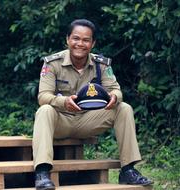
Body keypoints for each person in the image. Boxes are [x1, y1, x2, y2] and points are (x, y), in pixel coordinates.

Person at [32, 19, 153, 190]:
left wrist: (114, 97)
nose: (80, 44)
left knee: (124, 108)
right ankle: (42, 172)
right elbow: (43, 96)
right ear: (67, 39)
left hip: (88, 120)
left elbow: (116, 90)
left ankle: (128, 170)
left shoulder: (101, 64)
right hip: (60, 120)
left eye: (85, 40)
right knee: (44, 110)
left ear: (93, 43)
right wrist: (64, 102)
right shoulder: (53, 63)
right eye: (75, 38)